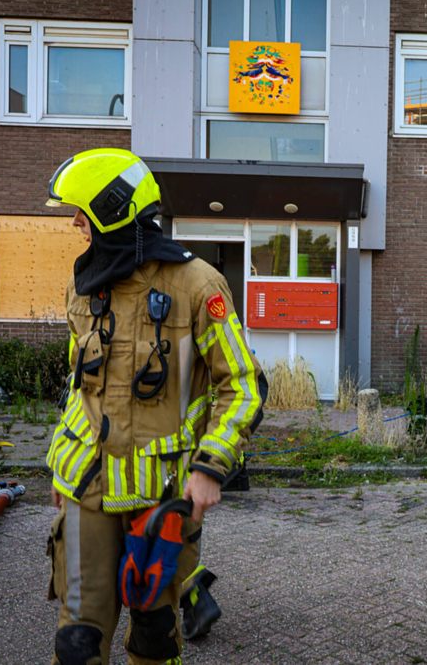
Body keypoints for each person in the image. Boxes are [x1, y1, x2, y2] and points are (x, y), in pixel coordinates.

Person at [44, 149, 266, 665]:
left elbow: (244, 386)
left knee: (155, 636)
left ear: (113, 210)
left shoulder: (197, 286)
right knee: (77, 638)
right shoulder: (85, 287)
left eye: (81, 211)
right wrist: (63, 470)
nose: (75, 222)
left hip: (160, 494)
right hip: (87, 487)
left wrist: (211, 468)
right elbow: (78, 388)